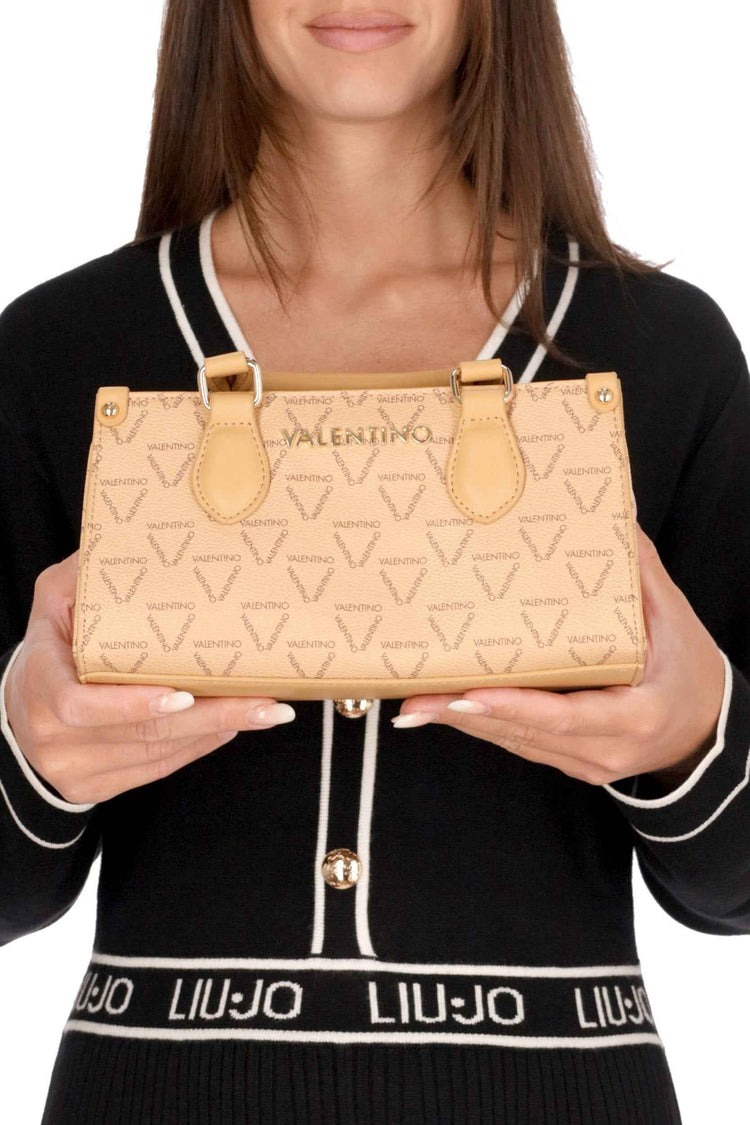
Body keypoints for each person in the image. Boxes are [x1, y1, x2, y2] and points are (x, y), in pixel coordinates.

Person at [1, 1, 748, 1121]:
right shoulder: (57, 350)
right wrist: (28, 748)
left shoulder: (664, 351)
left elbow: (733, 891)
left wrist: (698, 734)